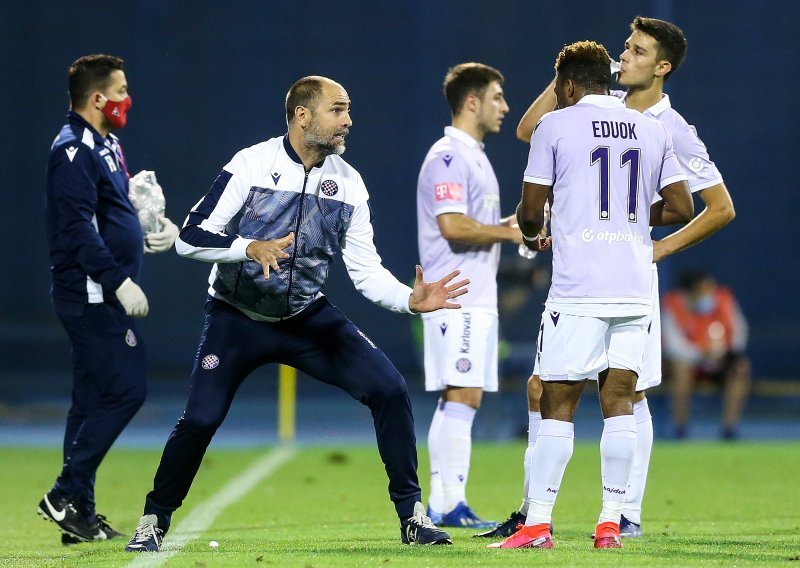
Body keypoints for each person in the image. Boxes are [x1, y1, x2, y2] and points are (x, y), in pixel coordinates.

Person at [124, 76, 464, 552]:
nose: (348, 121)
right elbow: (189, 237)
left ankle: (412, 516)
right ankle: (153, 521)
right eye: (337, 110)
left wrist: (408, 298)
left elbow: (365, 271)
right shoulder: (252, 163)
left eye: (348, 111)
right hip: (235, 317)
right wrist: (247, 247)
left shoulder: (348, 184)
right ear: (303, 115)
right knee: (200, 420)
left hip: (306, 317)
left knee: (389, 388)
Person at [480, 15, 736, 540]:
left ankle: (621, 513)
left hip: (610, 276)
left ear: (663, 67)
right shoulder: (618, 112)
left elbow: (718, 208)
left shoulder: (672, 126)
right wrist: (570, 78)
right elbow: (529, 130)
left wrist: (658, 245)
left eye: (638, 51)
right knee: (587, 392)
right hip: (613, 271)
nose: (624, 58)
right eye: (623, 49)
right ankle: (560, 513)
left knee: (618, 394)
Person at [39, 54, 179, 545]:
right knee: (127, 389)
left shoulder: (109, 144)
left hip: (103, 290)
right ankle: (64, 493)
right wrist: (118, 281)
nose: (126, 99)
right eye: (120, 90)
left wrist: (148, 226)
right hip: (91, 294)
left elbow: (107, 215)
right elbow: (76, 228)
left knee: (89, 401)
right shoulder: (72, 150)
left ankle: (78, 515)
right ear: (98, 98)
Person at [416, 62, 521, 529]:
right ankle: (445, 503)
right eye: (497, 97)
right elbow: (453, 225)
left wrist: (513, 231)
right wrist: (509, 232)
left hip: (475, 295)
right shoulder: (448, 156)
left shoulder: (474, 155)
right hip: (454, 295)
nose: (505, 107)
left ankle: (447, 501)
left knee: (465, 396)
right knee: (460, 394)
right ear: (472, 102)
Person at [662, 270, 750, 440]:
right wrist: (702, 353)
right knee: (680, 368)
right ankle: (680, 428)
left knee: (741, 367)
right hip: (690, 363)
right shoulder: (673, 305)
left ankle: (729, 429)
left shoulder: (723, 300)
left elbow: (740, 330)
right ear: (690, 292)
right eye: (704, 290)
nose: (709, 294)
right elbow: (674, 346)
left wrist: (725, 352)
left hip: (721, 359)